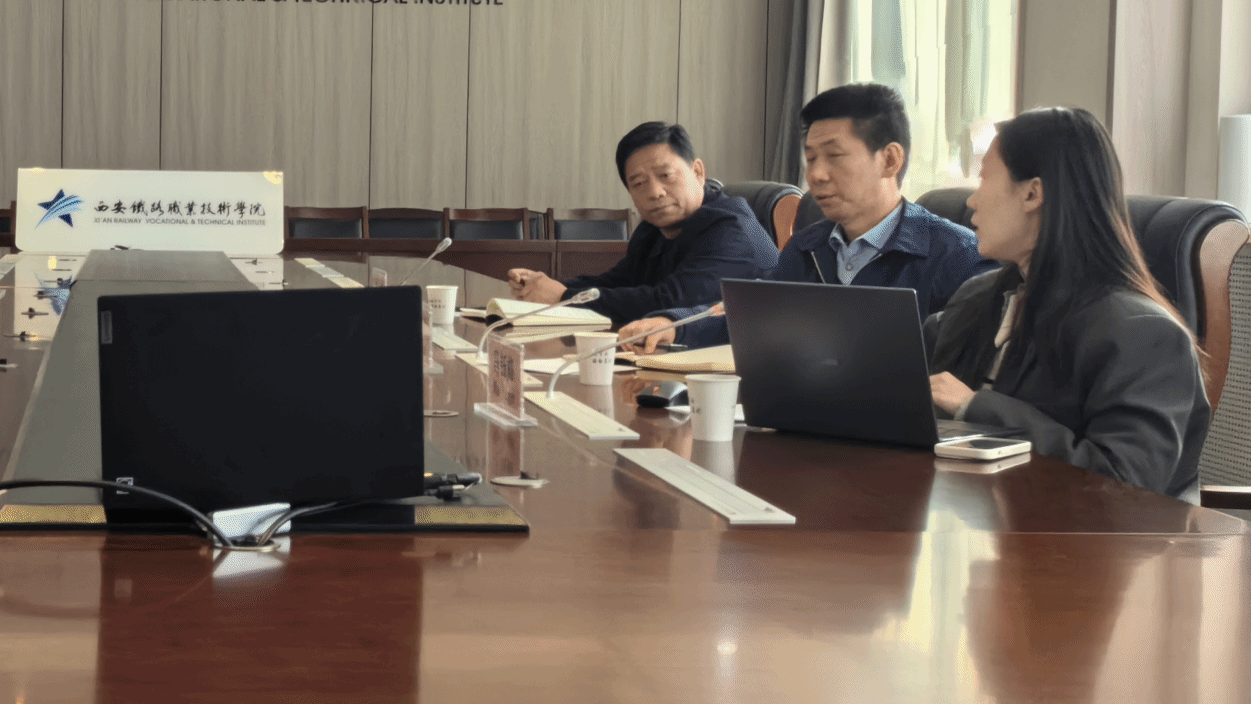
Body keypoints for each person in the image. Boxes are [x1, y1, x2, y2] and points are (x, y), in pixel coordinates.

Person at [926, 106, 1209, 498]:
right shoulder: (976, 299)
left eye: (984, 178)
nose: (972, 201)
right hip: (973, 516)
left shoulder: (1146, 334)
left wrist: (975, 408)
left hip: (1082, 534)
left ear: (1032, 193)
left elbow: (1125, 485)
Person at [618, 83, 990, 352]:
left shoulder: (960, 258)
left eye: (834, 156)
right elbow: (753, 314)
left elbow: (963, 378)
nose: (817, 174)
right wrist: (674, 325)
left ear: (890, 160)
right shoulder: (807, 247)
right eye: (810, 158)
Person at [504, 121, 778, 326]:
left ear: (697, 172)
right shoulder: (653, 228)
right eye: (638, 183)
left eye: (665, 175)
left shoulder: (732, 230)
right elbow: (619, 281)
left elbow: (671, 303)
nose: (655, 192)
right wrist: (547, 285)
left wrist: (563, 296)